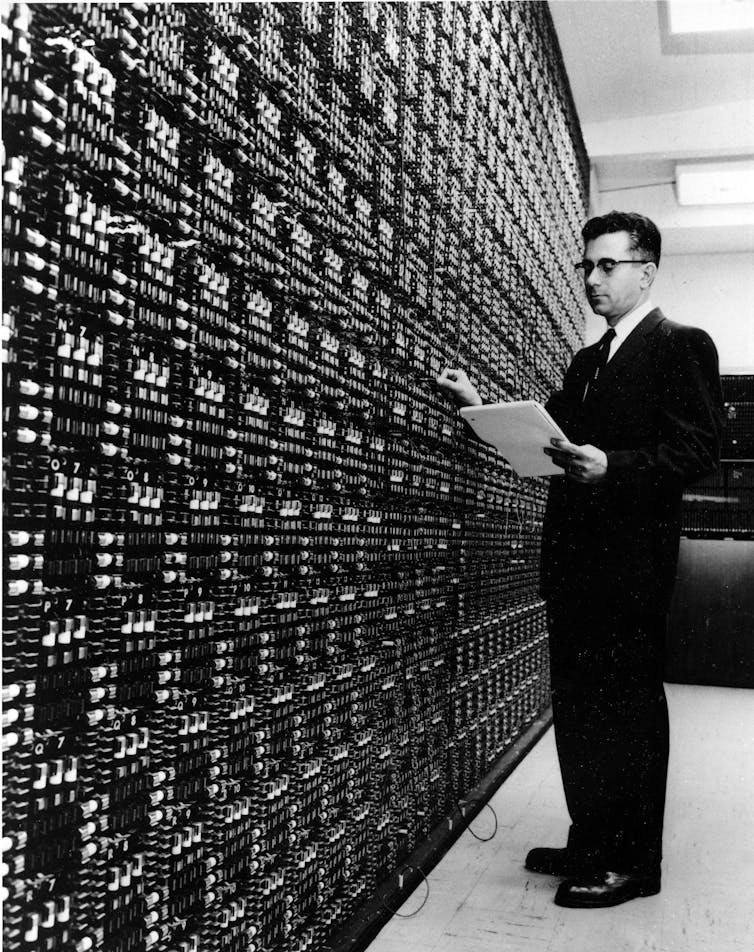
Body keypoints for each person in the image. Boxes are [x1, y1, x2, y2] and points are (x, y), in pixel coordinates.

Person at [436, 211, 723, 908]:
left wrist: (613, 466)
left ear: (645, 269)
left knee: (625, 712)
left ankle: (634, 862)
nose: (592, 279)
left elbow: (698, 450)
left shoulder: (680, 345)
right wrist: (484, 410)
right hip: (572, 565)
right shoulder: (589, 360)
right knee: (580, 707)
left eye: (607, 266)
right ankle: (592, 837)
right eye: (586, 267)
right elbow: (555, 442)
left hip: (629, 569)